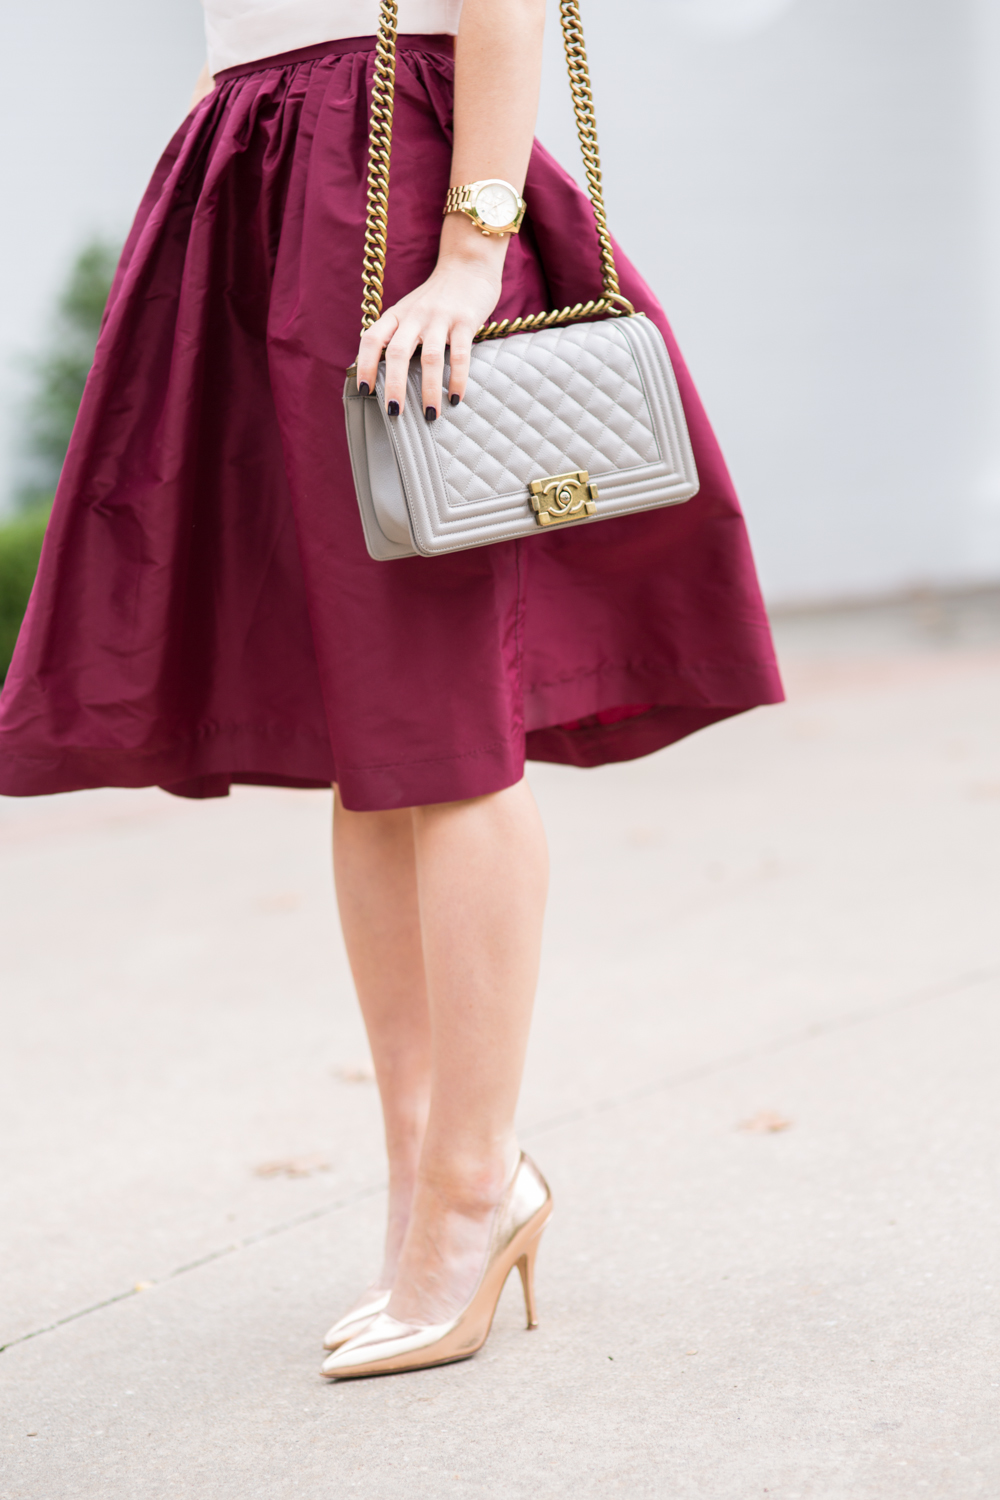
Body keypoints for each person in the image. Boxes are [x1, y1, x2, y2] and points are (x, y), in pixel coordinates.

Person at [0, 0, 783, 1378]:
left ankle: (474, 1188)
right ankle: (430, 1179)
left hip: (389, 184)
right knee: (375, 742)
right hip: (258, 183)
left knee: (442, 725)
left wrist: (474, 246)